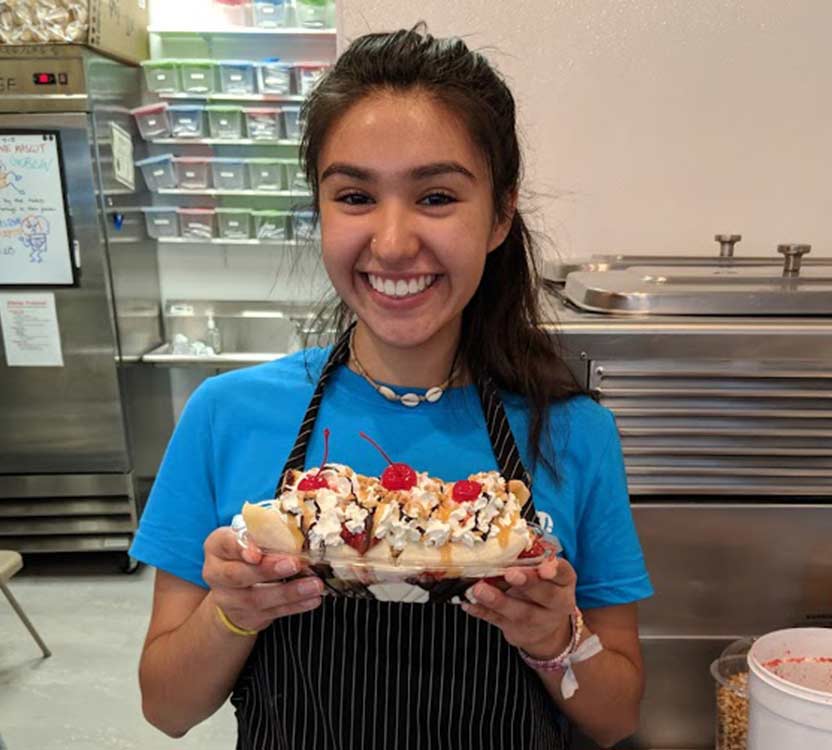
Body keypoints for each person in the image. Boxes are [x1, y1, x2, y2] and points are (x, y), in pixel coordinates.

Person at [132, 24, 653, 750]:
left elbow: (617, 716)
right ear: (320, 209)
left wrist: (553, 636)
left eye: (437, 196)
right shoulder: (226, 416)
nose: (392, 242)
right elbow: (166, 706)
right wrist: (234, 611)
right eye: (354, 196)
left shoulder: (572, 432)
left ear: (500, 214)